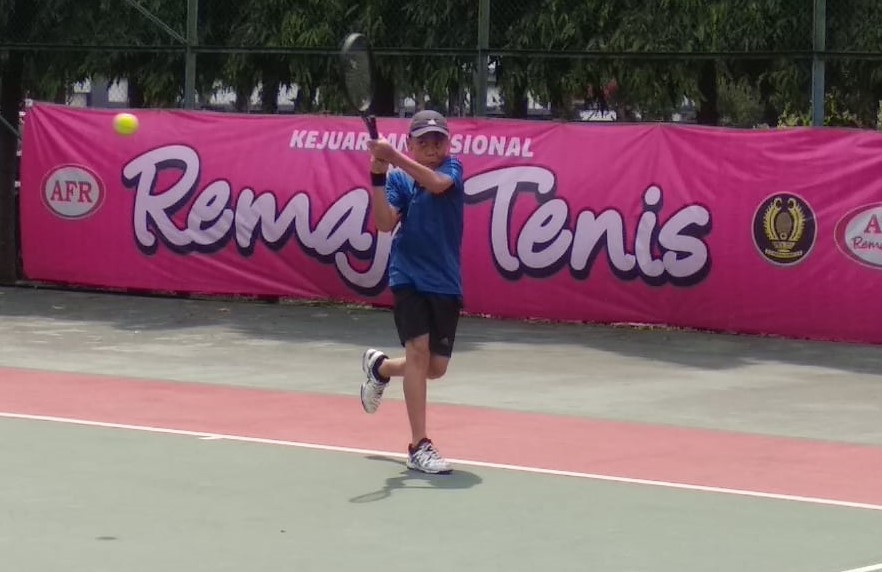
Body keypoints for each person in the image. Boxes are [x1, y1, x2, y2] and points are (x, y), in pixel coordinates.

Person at [361, 109, 464, 474]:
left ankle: (381, 368)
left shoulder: (452, 170)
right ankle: (419, 445)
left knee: (434, 367)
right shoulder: (400, 181)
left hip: (445, 281)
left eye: (438, 140)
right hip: (407, 276)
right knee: (418, 352)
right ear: (411, 144)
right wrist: (377, 176)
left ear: (448, 144)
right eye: (424, 142)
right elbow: (384, 223)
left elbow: (435, 184)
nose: (432, 148)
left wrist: (393, 157)